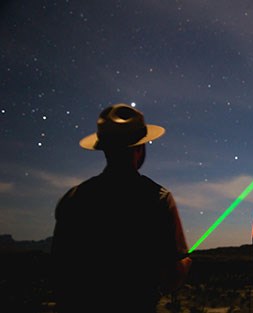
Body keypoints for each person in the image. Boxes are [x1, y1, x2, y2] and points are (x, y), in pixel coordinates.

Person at [51, 103, 192, 313]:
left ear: (103, 148)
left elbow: (59, 272)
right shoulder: (158, 199)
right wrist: (186, 263)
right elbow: (172, 277)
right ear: (139, 147)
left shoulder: (73, 199)